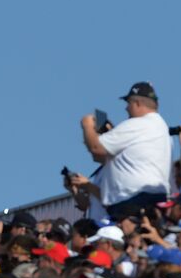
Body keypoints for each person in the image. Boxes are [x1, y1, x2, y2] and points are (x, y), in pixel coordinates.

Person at [67, 82, 170, 219]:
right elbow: (102, 156)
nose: (126, 108)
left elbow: (97, 148)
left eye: (129, 103)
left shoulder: (139, 124)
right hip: (144, 198)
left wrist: (87, 126)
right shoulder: (160, 128)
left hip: (134, 200)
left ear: (138, 103)